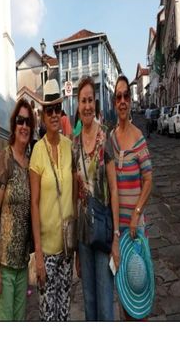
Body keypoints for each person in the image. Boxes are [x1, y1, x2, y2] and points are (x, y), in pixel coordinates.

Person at [30, 79, 76, 322]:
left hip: (67, 248)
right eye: (49, 110)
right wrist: (38, 254)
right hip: (46, 251)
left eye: (58, 109)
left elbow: (76, 196)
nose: (54, 115)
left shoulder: (70, 147)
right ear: (43, 115)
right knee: (48, 315)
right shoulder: (37, 151)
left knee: (64, 312)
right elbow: (34, 205)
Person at [108, 73, 153, 322]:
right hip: (118, 231)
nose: (123, 101)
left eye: (126, 95)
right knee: (123, 298)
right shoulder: (111, 139)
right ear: (114, 102)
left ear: (130, 100)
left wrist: (136, 215)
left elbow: (149, 180)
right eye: (118, 97)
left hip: (135, 229)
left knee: (139, 291)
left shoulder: (138, 138)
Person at [73, 74, 116, 321]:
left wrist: (117, 238)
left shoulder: (106, 139)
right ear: (78, 106)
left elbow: (114, 189)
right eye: (83, 101)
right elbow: (74, 197)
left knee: (105, 306)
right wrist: (77, 250)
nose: (87, 105)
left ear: (95, 103)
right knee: (89, 303)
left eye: (90, 100)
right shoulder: (75, 144)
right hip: (83, 237)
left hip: (104, 233)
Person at [0, 98, 35, 322]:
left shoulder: (29, 164)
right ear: (14, 125)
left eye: (28, 122)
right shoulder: (4, 159)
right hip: (5, 266)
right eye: (20, 121)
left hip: (22, 264)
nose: (24, 126)